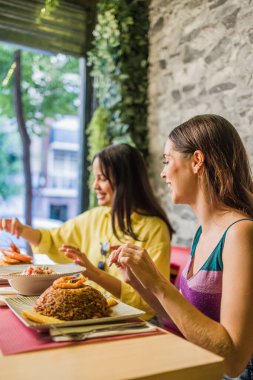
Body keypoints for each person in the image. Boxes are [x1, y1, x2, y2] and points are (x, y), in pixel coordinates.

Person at [108, 115, 253, 379]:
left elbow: (233, 361)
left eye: (167, 160)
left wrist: (158, 283)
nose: (163, 173)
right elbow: (181, 318)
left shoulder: (240, 233)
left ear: (197, 160)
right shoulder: (202, 233)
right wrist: (140, 281)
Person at [0, 143, 173, 321]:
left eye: (102, 178)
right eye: (95, 178)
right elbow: (52, 240)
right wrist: (21, 230)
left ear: (125, 181)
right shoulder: (94, 217)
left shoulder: (154, 229)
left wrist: (95, 275)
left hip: (134, 322)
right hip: (91, 316)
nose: (94, 186)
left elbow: (153, 301)